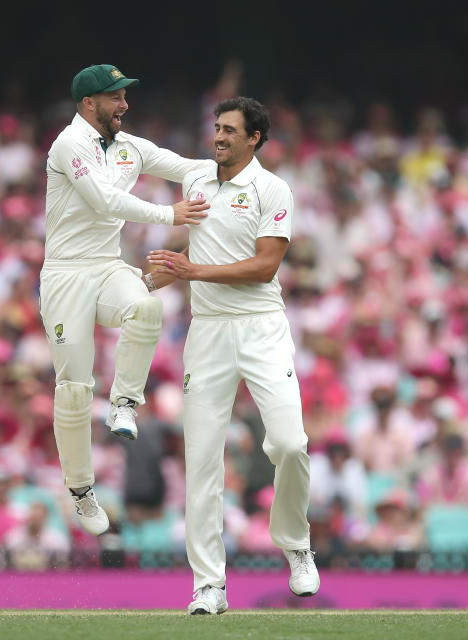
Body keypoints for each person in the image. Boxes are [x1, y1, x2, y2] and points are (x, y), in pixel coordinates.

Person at [147, 97, 318, 615]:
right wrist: (135, 284)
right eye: (216, 127)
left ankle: (295, 543)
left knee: (289, 443)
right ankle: (209, 584)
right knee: (201, 459)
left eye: (229, 130)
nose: (218, 136)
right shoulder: (197, 179)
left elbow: (266, 265)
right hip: (209, 332)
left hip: (262, 327)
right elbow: (148, 159)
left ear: (254, 139)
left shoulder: (273, 189)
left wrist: (192, 271)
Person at [41, 64, 212, 536]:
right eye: (115, 97)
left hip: (105, 264)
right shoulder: (68, 144)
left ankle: (125, 404)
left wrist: (239, 175)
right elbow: (102, 201)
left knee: (146, 305)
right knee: (74, 387)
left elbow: (190, 167)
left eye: (124, 96)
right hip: (65, 275)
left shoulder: (130, 147)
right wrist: (170, 213)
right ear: (88, 103)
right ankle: (81, 491)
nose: (125, 104)